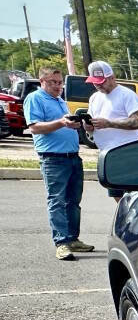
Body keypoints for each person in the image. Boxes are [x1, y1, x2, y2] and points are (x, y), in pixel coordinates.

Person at [23, 66, 92, 261]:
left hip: (72, 157)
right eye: (53, 82)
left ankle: (72, 239)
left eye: (60, 82)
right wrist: (62, 123)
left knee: (73, 202)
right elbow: (35, 127)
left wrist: (76, 124)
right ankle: (61, 243)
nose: (58, 86)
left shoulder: (60, 100)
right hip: (53, 158)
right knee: (57, 201)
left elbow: (64, 123)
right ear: (42, 82)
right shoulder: (35, 99)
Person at [85, 61, 138, 199]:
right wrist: (89, 128)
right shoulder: (94, 98)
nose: (98, 85)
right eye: (94, 82)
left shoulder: (126, 95)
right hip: (108, 155)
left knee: (135, 197)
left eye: (101, 81)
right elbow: (92, 125)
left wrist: (109, 123)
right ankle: (127, 220)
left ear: (112, 77)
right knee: (117, 196)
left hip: (128, 155)